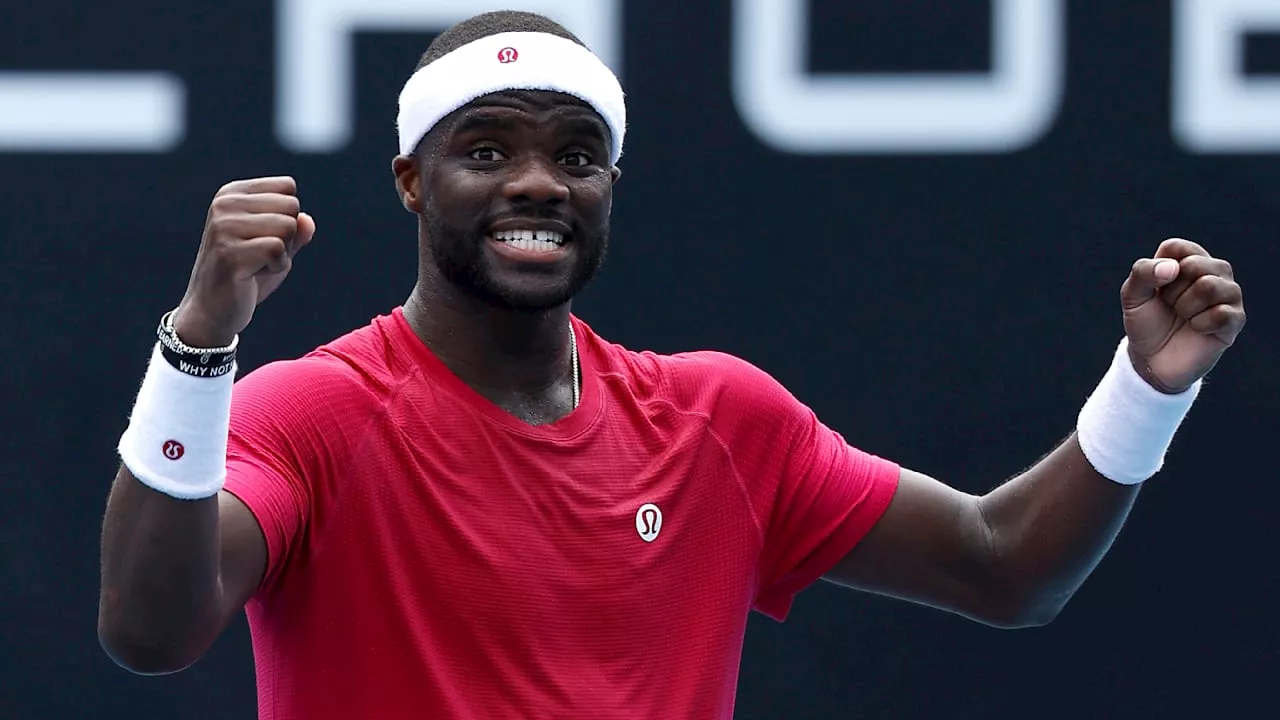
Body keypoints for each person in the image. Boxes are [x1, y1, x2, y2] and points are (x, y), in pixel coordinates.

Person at [97, 10, 1247, 719]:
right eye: (485, 148)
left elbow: (1003, 568)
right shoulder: (309, 413)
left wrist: (1147, 388)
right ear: (410, 180)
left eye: (576, 155)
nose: (538, 183)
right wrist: (199, 343)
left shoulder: (717, 420)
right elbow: (151, 631)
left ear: (608, 186)